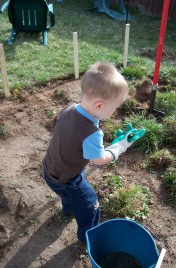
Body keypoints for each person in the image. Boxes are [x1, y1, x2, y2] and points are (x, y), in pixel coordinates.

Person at [43, 61, 134, 243]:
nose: (115, 112)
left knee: (69, 195)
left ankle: (68, 209)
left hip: (51, 168)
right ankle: (88, 237)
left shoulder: (69, 108)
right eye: (115, 108)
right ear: (99, 106)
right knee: (89, 203)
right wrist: (120, 146)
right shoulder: (92, 134)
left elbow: (73, 136)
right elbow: (99, 160)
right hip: (66, 179)